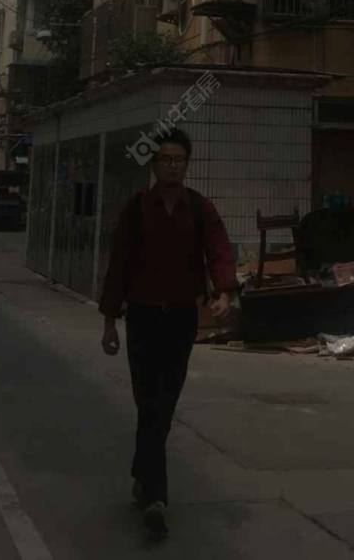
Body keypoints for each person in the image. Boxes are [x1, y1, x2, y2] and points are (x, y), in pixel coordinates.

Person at [99, 128, 236, 540]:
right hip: (142, 317)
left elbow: (219, 249)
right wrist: (109, 321)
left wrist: (224, 291)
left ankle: (146, 479)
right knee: (148, 401)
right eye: (165, 159)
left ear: (186, 165)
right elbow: (119, 263)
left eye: (179, 159)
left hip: (180, 318)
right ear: (155, 165)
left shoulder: (199, 208)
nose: (173, 165)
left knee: (164, 402)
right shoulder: (138, 208)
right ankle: (155, 496)